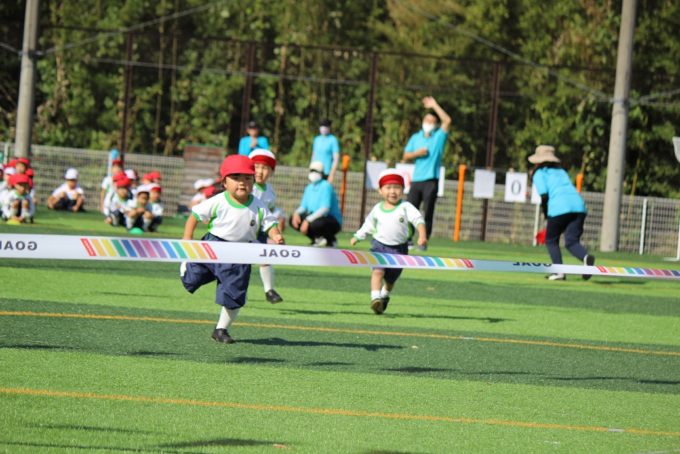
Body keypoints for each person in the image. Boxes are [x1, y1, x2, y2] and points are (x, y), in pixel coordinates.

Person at [180, 155, 284, 344]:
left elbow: (270, 224)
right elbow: (194, 215)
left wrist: (276, 235)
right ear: (224, 183)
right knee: (191, 280)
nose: (242, 182)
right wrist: (187, 240)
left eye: (247, 178)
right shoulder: (218, 201)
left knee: (235, 294)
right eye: (236, 177)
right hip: (212, 248)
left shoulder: (258, 205)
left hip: (240, 254)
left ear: (253, 181)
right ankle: (186, 267)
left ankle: (221, 330)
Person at [351, 169, 427, 315]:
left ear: (403, 190)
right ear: (380, 191)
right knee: (377, 271)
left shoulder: (406, 207)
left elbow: (418, 220)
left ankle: (384, 295)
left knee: (391, 280)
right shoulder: (377, 209)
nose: (392, 191)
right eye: (388, 187)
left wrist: (422, 235)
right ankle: (375, 298)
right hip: (379, 246)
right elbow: (368, 225)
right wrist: (358, 236)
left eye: (397, 187)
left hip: (400, 250)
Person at [528, 145, 595, 281]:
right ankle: (585, 257)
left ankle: (559, 272)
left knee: (551, 240)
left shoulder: (539, 173)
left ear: (538, 161)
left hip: (559, 207)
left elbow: (544, 195)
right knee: (571, 241)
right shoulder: (561, 171)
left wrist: (546, 213)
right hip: (579, 206)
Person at [402, 96, 451, 239]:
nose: (428, 123)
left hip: (431, 179)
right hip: (416, 179)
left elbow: (447, 121)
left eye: (431, 121)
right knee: (410, 210)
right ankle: (408, 238)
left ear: (435, 124)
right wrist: (417, 153)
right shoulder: (416, 137)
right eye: (426, 120)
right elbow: (405, 155)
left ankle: (424, 239)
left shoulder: (438, 137)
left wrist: (434, 105)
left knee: (428, 211)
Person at [249, 149, 284, 304]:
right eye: (256, 166)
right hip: (241, 230)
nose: (259, 171)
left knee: (265, 257)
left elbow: (270, 212)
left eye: (264, 168)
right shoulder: (247, 186)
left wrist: (276, 232)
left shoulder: (270, 191)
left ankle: (269, 290)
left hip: (259, 231)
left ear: (271, 171)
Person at [290, 161, 342, 247]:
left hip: (331, 220)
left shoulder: (326, 186)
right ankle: (316, 239)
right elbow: (303, 207)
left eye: (316, 171)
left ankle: (331, 240)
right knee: (294, 219)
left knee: (315, 224)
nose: (313, 173)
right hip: (315, 218)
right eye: (312, 171)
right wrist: (296, 213)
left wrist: (307, 220)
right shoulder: (309, 188)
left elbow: (325, 209)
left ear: (321, 173)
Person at [310, 119, 340, 183]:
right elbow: (313, 155)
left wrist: (332, 174)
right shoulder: (317, 139)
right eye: (322, 127)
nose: (323, 129)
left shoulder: (333, 140)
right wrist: (311, 169)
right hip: (315, 171)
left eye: (325, 127)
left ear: (329, 128)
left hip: (326, 173)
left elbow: (336, 159)